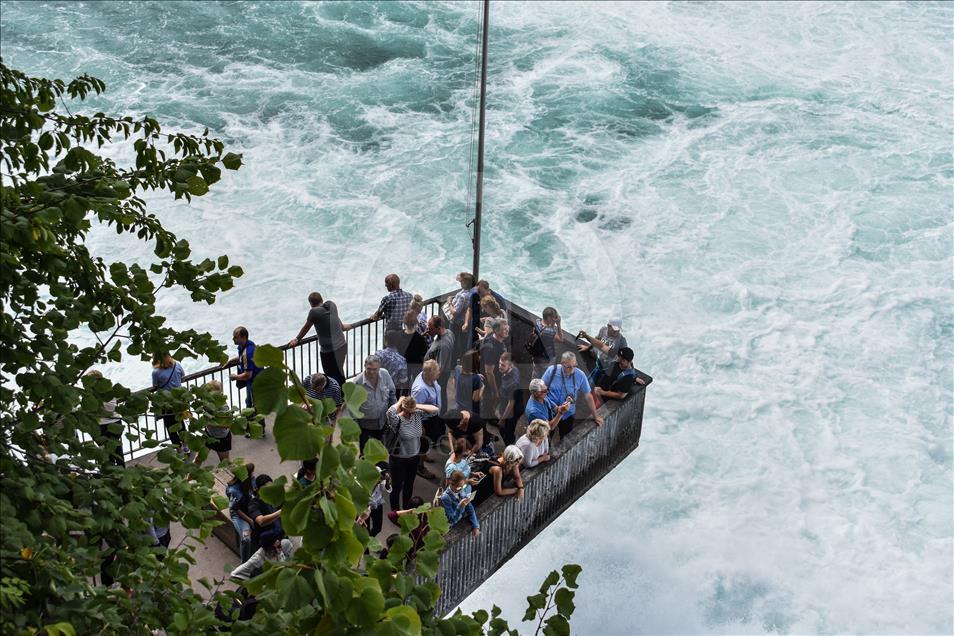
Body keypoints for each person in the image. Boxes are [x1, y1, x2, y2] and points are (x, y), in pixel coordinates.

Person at [385, 396, 438, 511]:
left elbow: (435, 410)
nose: (409, 413)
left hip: (414, 457)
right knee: (397, 487)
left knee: (409, 485)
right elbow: (389, 412)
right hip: (398, 458)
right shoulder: (397, 419)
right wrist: (400, 402)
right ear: (402, 408)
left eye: (411, 410)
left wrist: (416, 406)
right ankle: (395, 512)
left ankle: (407, 509)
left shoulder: (417, 414)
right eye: (407, 410)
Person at [287, 292, 348, 385]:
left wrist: (297, 339)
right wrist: (343, 327)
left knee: (330, 375)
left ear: (311, 304)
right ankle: (344, 394)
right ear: (322, 299)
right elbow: (336, 319)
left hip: (329, 350)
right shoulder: (331, 305)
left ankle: (337, 395)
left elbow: (306, 327)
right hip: (342, 345)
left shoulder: (314, 312)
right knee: (339, 371)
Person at [541, 351, 604, 440]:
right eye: (569, 367)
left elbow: (588, 396)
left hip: (567, 414)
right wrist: (554, 407)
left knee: (566, 437)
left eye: (574, 366)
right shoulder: (551, 371)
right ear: (562, 363)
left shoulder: (580, 375)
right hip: (550, 411)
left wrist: (595, 416)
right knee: (546, 437)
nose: (572, 369)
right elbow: (541, 391)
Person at [352, 355, 396, 453]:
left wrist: (394, 413)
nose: (372, 372)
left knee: (381, 448)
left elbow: (392, 394)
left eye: (375, 369)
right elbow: (352, 406)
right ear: (364, 366)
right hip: (365, 424)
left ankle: (381, 466)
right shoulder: (357, 382)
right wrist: (355, 426)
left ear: (379, 367)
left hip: (383, 421)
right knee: (365, 450)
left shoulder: (385, 374)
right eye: (369, 369)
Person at [85, 370, 125, 467]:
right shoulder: (110, 390)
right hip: (116, 423)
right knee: (118, 450)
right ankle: (122, 472)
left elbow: (89, 409)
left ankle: (110, 475)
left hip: (100, 427)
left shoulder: (91, 395)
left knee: (106, 454)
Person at [410, 359, 443, 479]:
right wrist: (420, 426)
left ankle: (424, 456)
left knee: (427, 442)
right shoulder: (420, 390)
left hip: (432, 417)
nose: (439, 372)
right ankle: (420, 466)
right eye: (437, 371)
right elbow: (414, 409)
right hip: (425, 421)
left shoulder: (429, 378)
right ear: (429, 373)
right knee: (423, 443)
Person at [451, 350, 485, 452]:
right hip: (472, 411)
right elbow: (476, 398)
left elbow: (454, 383)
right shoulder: (476, 380)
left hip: (459, 406)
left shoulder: (457, 369)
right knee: (474, 434)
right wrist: (482, 387)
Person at [229, 527, 294, 581]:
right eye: (278, 539)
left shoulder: (284, 544)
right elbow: (234, 574)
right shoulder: (257, 559)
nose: (280, 540)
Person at [577, 318, 627, 387]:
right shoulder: (603, 330)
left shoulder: (621, 340)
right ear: (608, 326)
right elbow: (597, 340)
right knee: (589, 379)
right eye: (615, 330)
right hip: (599, 362)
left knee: (591, 383)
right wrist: (587, 348)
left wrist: (634, 376)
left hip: (608, 367)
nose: (617, 332)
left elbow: (627, 357)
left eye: (618, 330)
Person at [152, 353, 186, 451]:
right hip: (179, 400)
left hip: (165, 403)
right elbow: (183, 376)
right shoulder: (177, 364)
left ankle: (178, 450)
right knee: (180, 423)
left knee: (170, 426)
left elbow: (155, 385)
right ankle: (186, 446)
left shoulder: (156, 372)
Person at [478, 319, 509, 421]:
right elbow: (489, 372)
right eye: (504, 329)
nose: (507, 330)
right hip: (490, 381)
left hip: (498, 377)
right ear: (496, 331)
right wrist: (495, 391)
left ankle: (489, 414)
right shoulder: (491, 348)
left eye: (507, 327)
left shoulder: (496, 339)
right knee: (489, 399)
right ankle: (486, 419)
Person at [195, 379, 231, 463]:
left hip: (221, 438)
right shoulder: (207, 403)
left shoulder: (224, 407)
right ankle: (189, 477)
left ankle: (244, 474)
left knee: (225, 462)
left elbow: (228, 425)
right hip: (208, 434)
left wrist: (212, 423)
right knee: (198, 459)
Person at [424, 315, 455, 413]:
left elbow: (440, 368)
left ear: (438, 328)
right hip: (443, 371)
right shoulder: (449, 332)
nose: (428, 330)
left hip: (440, 375)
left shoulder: (443, 345)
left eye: (431, 329)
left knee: (440, 395)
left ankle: (442, 414)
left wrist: (431, 380)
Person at [226, 463, 256, 563]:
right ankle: (244, 565)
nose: (253, 476)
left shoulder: (251, 481)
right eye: (251, 474)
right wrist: (250, 520)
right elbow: (235, 509)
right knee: (246, 539)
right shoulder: (234, 491)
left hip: (250, 509)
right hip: (240, 515)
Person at [229, 326, 261, 412]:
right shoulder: (246, 345)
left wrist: (235, 377)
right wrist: (231, 361)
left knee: (252, 406)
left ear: (243, 337)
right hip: (255, 381)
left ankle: (255, 423)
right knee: (249, 402)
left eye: (236, 337)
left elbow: (248, 375)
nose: (233, 339)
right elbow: (242, 358)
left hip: (255, 383)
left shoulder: (248, 352)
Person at [385, 495, 428, 560]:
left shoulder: (409, 522)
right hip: (426, 550)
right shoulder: (428, 517)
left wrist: (408, 511)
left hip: (414, 552)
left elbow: (391, 515)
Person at [440, 471, 480, 536]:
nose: (461, 489)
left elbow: (470, 509)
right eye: (459, 487)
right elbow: (451, 521)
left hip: (460, 522)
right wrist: (460, 507)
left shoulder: (461, 491)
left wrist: (476, 526)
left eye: (463, 486)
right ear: (451, 484)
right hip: (449, 530)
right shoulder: (445, 498)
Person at [248, 474, 283, 548]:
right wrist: (281, 512)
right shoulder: (253, 504)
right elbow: (261, 521)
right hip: (264, 544)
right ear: (258, 490)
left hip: (279, 539)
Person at [495, 352, 523, 446]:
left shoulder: (512, 383)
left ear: (510, 365)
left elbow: (511, 403)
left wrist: (503, 419)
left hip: (512, 411)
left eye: (503, 365)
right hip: (508, 403)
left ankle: (510, 446)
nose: (500, 366)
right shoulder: (513, 369)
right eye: (499, 363)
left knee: (506, 431)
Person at [531, 307, 563, 378]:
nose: (555, 319)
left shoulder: (537, 322)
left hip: (536, 356)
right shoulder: (549, 331)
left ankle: (533, 387)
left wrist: (552, 322)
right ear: (549, 318)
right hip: (546, 359)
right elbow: (561, 339)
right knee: (546, 378)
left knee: (535, 376)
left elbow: (546, 326)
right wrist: (558, 324)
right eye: (553, 317)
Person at [397, 310, 428, 376]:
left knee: (405, 384)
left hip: (403, 364)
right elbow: (424, 353)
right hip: (416, 365)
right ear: (415, 323)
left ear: (404, 322)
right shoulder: (420, 338)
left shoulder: (399, 335)